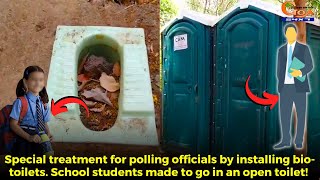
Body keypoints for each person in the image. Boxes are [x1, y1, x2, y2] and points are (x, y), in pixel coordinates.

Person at [274, 24, 313, 150]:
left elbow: (309, 65)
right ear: (285, 34)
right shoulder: (281, 51)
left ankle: (299, 140)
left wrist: (300, 72)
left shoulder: (303, 49)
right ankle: (285, 140)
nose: (290, 34)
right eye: (288, 32)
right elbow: (279, 70)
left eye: (292, 32)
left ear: (295, 34)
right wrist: (280, 85)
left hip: (300, 87)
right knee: (284, 115)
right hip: (285, 87)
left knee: (301, 115)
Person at [9, 66, 53, 156]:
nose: (38, 83)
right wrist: (29, 137)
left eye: (41, 80)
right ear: (25, 81)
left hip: (39, 139)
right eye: (34, 79)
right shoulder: (20, 102)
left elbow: (44, 122)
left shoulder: (44, 103)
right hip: (24, 139)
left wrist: (48, 133)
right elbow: (13, 124)